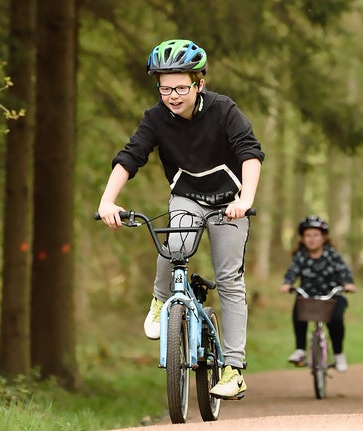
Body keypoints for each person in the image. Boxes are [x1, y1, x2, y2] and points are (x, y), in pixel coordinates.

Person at [98, 39, 264, 400]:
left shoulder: (224, 110)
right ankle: (161, 302)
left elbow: (250, 154)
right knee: (174, 245)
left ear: (199, 83)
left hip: (228, 204)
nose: (172, 95)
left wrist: (245, 199)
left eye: (180, 87)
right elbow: (130, 157)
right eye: (164, 88)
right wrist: (108, 201)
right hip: (187, 198)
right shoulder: (156, 118)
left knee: (230, 280)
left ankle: (234, 369)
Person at [279, 215, 356, 372]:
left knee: (336, 320)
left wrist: (348, 284)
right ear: (302, 238)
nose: (312, 239)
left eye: (316, 235)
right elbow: (292, 272)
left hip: (332, 294)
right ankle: (300, 350)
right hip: (309, 295)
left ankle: (339, 353)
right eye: (308, 235)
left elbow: (343, 270)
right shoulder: (301, 256)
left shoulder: (331, 254)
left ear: (323, 237)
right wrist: (287, 284)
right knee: (298, 307)